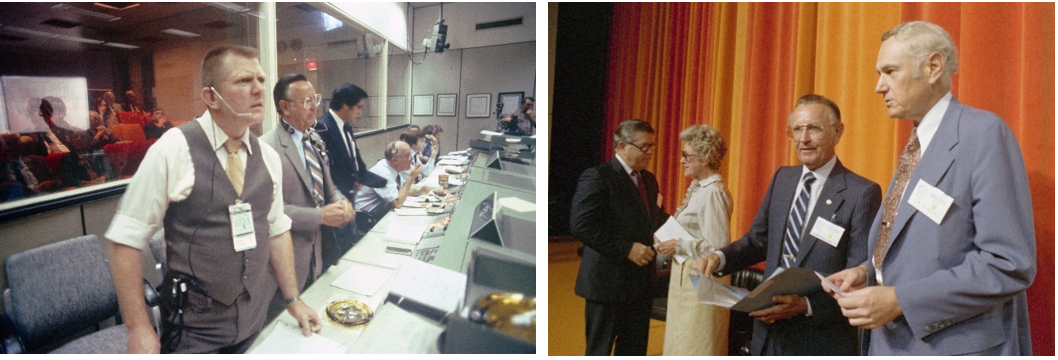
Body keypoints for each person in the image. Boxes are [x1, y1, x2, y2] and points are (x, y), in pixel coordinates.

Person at [824, 21, 1036, 356]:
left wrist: (898, 300)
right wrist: (869, 273)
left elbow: (1007, 263)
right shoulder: (918, 144)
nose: (879, 86)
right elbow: (928, 245)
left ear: (933, 67)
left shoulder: (983, 135)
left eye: (890, 71)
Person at [104, 45, 321, 354]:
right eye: (244, 81)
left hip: (255, 319)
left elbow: (277, 229)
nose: (258, 88)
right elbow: (124, 242)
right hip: (195, 330)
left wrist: (293, 300)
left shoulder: (268, 157)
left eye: (260, 79)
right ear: (210, 97)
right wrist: (138, 327)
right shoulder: (174, 150)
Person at [695, 94, 881, 355]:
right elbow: (758, 241)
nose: (803, 139)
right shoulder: (782, 178)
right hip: (768, 336)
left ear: (837, 132)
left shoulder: (861, 193)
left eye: (814, 129)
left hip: (819, 340)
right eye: (797, 129)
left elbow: (860, 276)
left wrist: (805, 304)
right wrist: (719, 258)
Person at [261, 74, 354, 322]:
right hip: (287, 260)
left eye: (316, 99)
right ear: (285, 107)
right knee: (284, 325)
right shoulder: (266, 148)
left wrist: (342, 202)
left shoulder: (314, 139)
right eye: (307, 101)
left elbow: (329, 187)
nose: (315, 107)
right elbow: (271, 211)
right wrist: (320, 216)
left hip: (321, 251)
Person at [570, 119, 666, 355]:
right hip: (607, 283)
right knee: (599, 350)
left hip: (641, 283)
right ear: (623, 146)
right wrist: (627, 248)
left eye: (652, 146)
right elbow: (582, 225)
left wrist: (684, 229)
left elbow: (655, 218)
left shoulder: (649, 179)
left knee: (634, 350)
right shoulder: (598, 176)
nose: (650, 152)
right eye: (645, 147)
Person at [655, 124, 731, 355]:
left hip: (701, 281)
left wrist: (679, 244)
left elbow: (718, 247)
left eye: (687, 155)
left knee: (696, 346)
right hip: (685, 277)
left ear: (705, 158)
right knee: (681, 344)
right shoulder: (699, 189)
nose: (681, 161)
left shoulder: (713, 193)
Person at [315, 83, 386, 251]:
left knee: (350, 242)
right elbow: (325, 169)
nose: (360, 113)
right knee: (338, 246)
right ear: (345, 105)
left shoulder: (345, 125)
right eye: (359, 107)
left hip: (351, 193)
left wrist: (361, 177)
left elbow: (353, 158)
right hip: (336, 198)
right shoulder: (322, 127)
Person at [353, 141, 427, 233]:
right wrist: (411, 177)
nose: (411, 159)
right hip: (364, 221)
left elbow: (399, 193)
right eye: (408, 156)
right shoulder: (383, 172)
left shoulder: (391, 167)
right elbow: (397, 204)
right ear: (395, 160)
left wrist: (420, 191)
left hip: (379, 216)